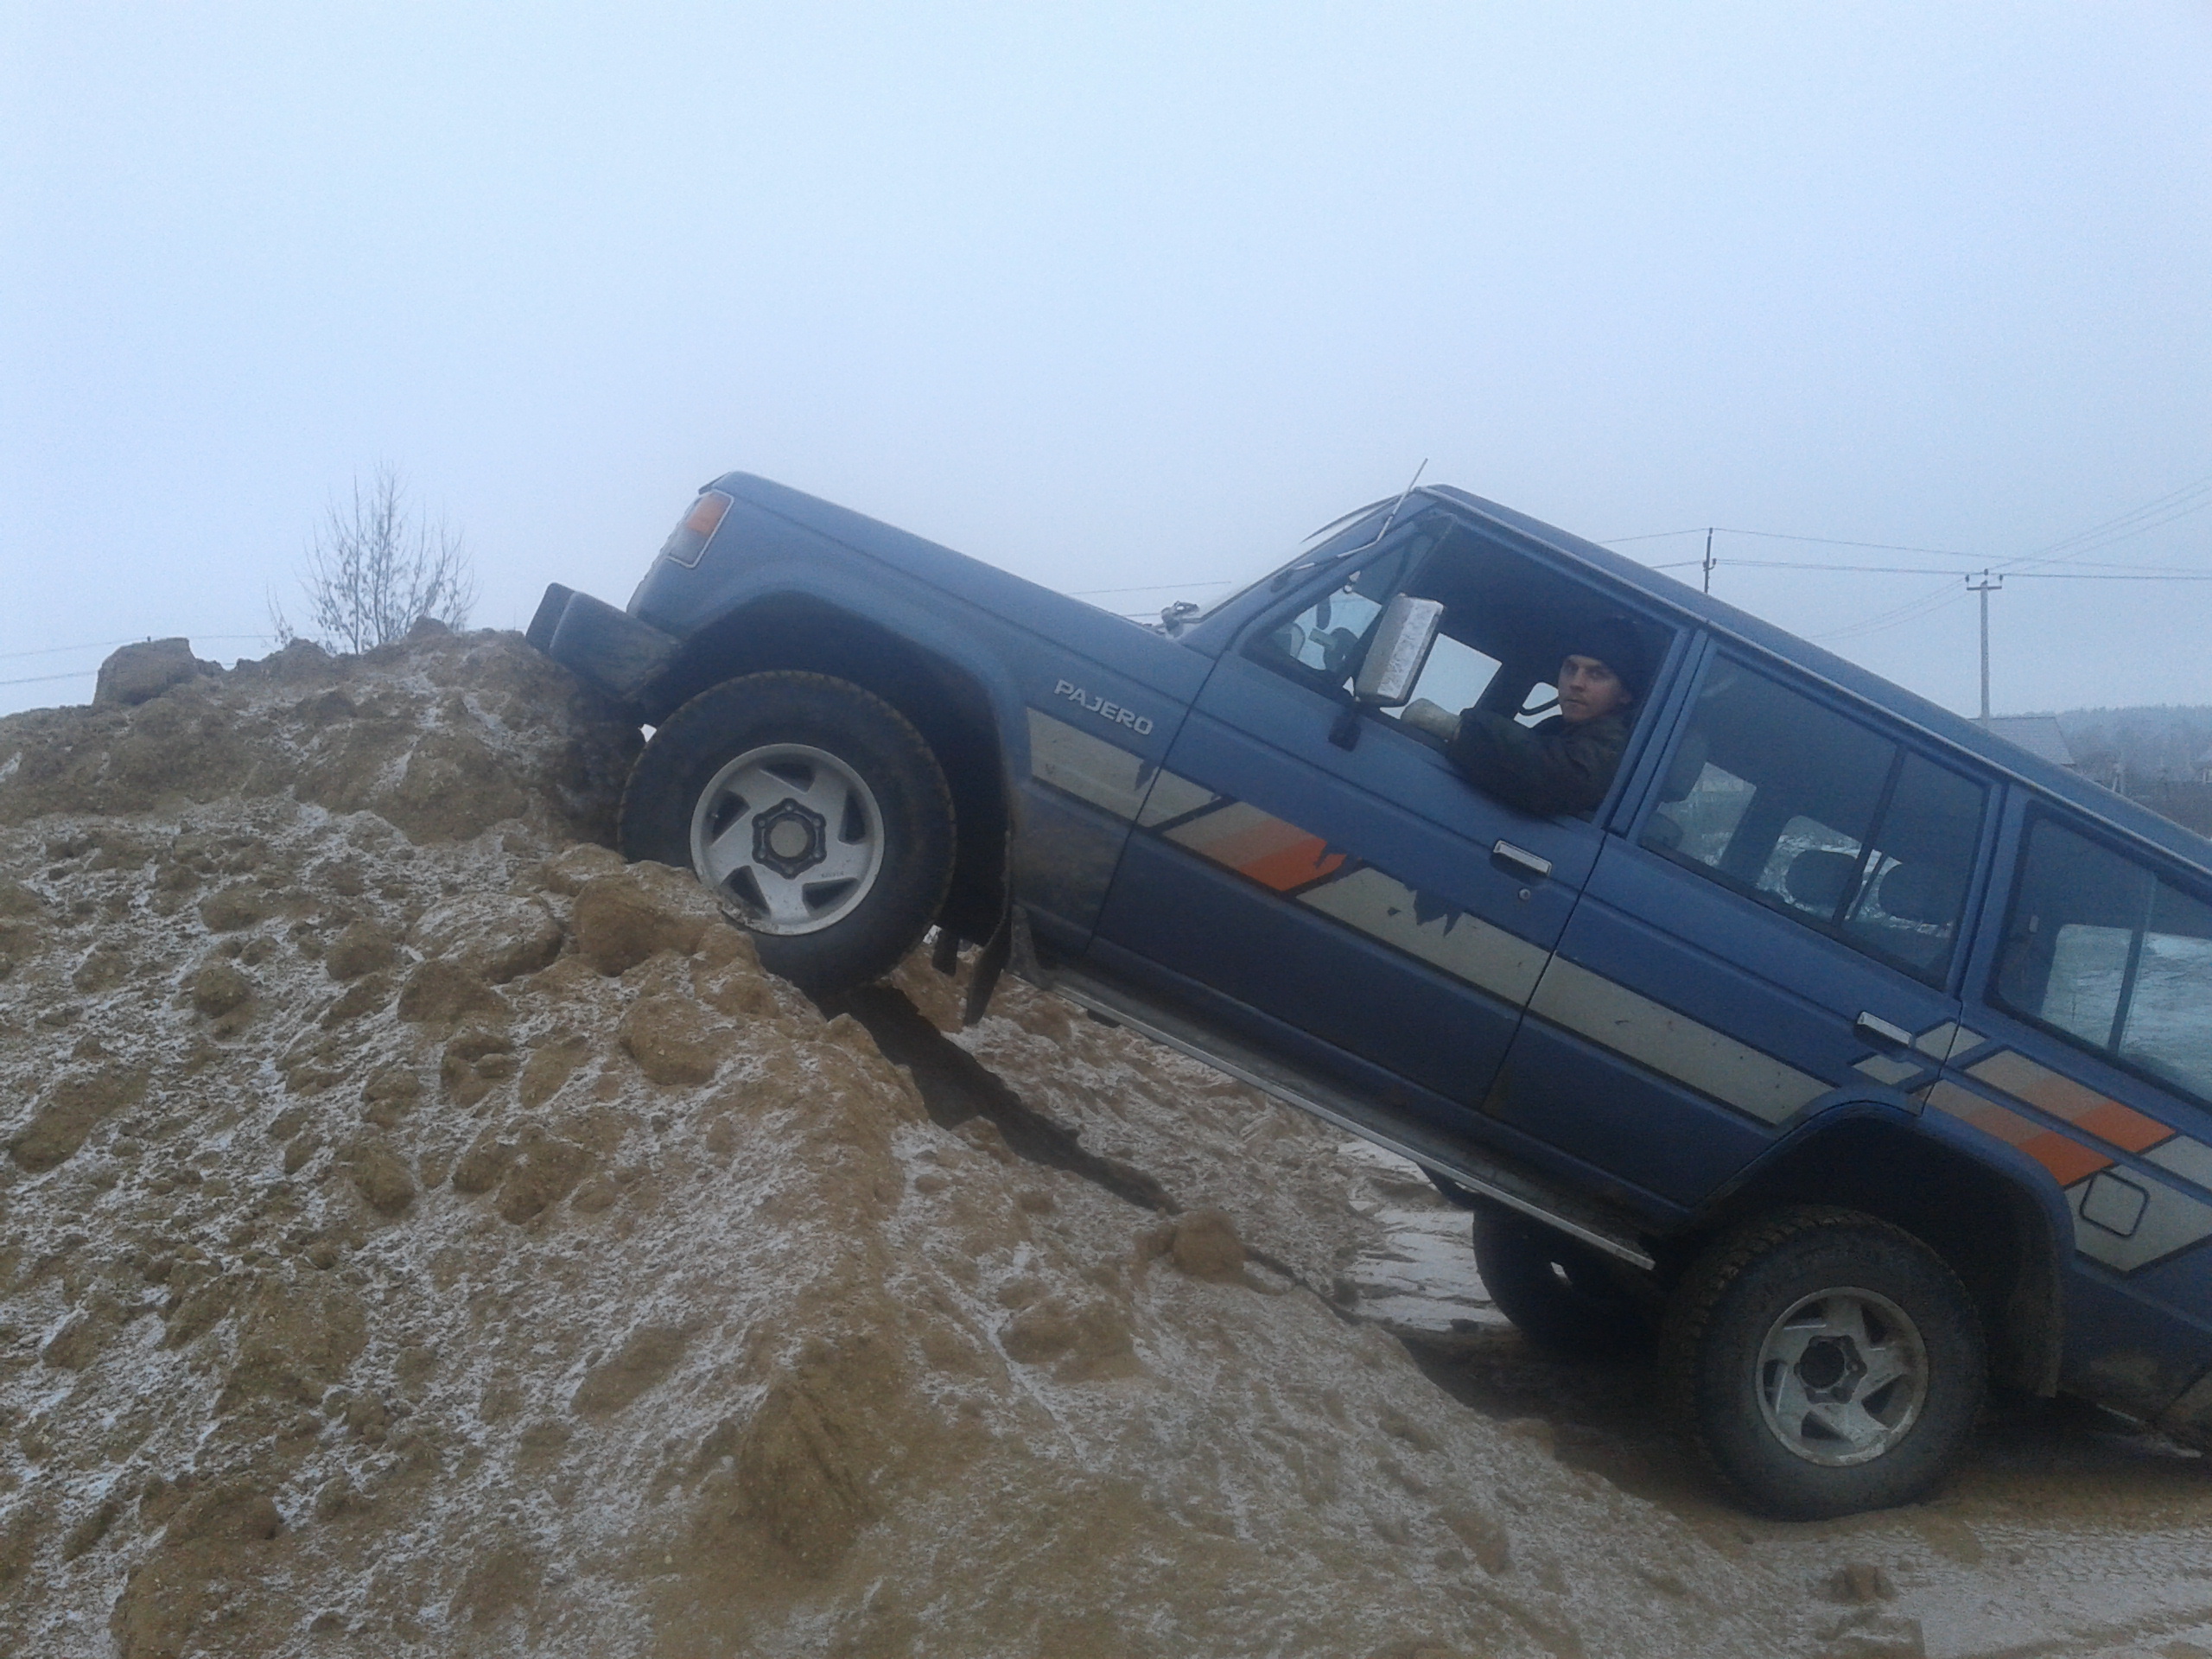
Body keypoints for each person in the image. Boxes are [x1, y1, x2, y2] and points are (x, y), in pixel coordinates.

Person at [1402, 616, 1648, 817]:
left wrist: (1455, 727)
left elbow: (1561, 779)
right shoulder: (1558, 730)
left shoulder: (1615, 745)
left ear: (1625, 694)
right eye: (1570, 668)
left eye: (1596, 674)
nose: (1576, 683)